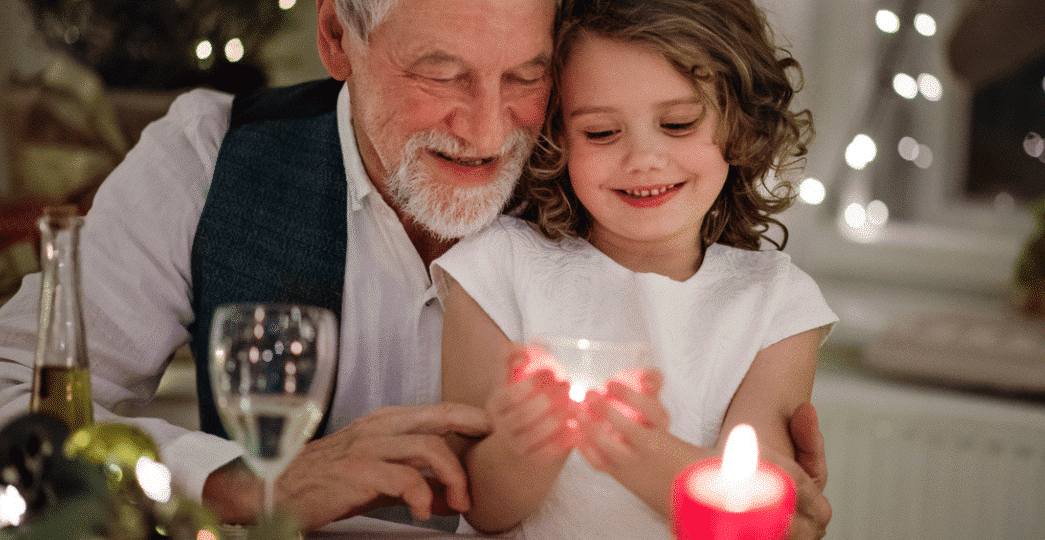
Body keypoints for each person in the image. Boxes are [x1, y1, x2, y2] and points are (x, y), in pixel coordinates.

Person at [0, 0, 832, 535]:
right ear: (337, 37)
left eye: (525, 77)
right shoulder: (208, 162)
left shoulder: (612, 166)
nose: (483, 129)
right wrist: (235, 483)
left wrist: (738, 491)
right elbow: (10, 402)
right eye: (439, 74)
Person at [433, 0, 837, 538]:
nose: (644, 158)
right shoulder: (495, 268)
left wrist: (635, 450)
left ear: (739, 124)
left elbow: (752, 514)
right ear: (556, 140)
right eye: (601, 132)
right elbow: (478, 504)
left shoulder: (776, 304)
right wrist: (524, 446)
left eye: (678, 123)